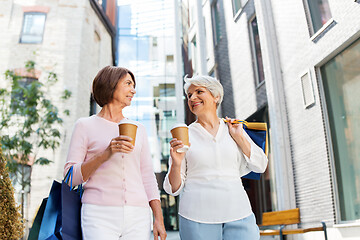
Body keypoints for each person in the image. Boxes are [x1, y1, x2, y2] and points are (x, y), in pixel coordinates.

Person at [64, 66, 167, 240]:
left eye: (133, 85)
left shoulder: (139, 129)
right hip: (98, 214)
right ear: (111, 85)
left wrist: (158, 218)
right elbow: (69, 178)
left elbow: (148, 177)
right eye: (128, 83)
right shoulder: (84, 126)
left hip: (138, 215)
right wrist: (106, 153)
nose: (133, 90)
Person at [163, 75, 268, 240]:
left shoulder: (234, 129)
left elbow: (260, 165)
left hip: (239, 213)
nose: (192, 98)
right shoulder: (185, 134)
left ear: (216, 96)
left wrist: (240, 137)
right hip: (196, 217)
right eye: (189, 95)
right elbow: (173, 189)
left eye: (199, 92)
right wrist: (176, 164)